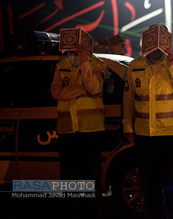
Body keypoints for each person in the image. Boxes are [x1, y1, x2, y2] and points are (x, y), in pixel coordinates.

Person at [123, 25, 173, 218]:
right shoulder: (135, 65)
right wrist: (127, 126)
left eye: (160, 43)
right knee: (149, 179)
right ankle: (156, 213)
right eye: (152, 43)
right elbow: (128, 98)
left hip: (170, 133)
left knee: (171, 178)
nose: (156, 48)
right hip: (145, 133)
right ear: (146, 43)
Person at [51, 46, 106, 219]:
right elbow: (55, 92)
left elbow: (94, 88)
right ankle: (70, 210)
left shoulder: (97, 64)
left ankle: (93, 211)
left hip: (90, 128)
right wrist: (82, 90)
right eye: (70, 52)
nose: (72, 55)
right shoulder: (61, 66)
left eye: (76, 52)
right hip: (67, 128)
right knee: (69, 174)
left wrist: (84, 63)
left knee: (91, 174)